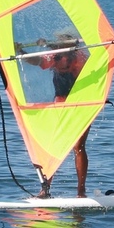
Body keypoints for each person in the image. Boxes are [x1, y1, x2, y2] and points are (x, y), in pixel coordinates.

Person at [23, 32, 93, 198]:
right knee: (52, 145)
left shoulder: (80, 57)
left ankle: (81, 192)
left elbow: (94, 65)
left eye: (61, 45)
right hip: (60, 104)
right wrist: (21, 54)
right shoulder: (53, 57)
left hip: (82, 104)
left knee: (78, 146)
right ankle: (45, 190)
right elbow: (37, 60)